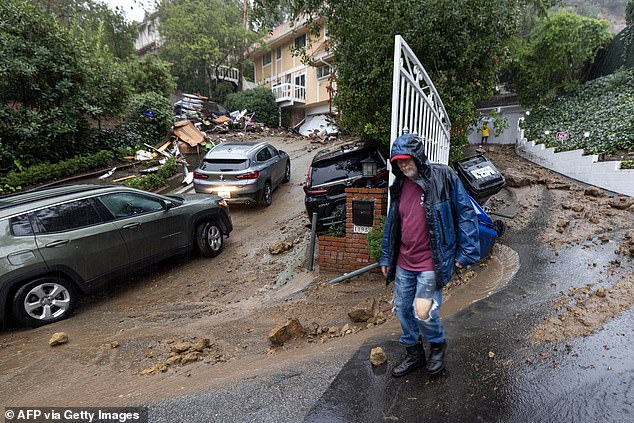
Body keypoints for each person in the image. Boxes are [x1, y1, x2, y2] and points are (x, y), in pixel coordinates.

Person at [379, 133, 480, 378]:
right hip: (404, 261)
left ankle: (437, 346)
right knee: (403, 309)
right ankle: (414, 353)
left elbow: (466, 212)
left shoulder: (443, 176)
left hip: (431, 262)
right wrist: (385, 256)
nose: (403, 165)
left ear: (418, 157)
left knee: (423, 311)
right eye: (398, 161)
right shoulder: (400, 184)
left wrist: (466, 252)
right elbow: (393, 223)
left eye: (407, 160)